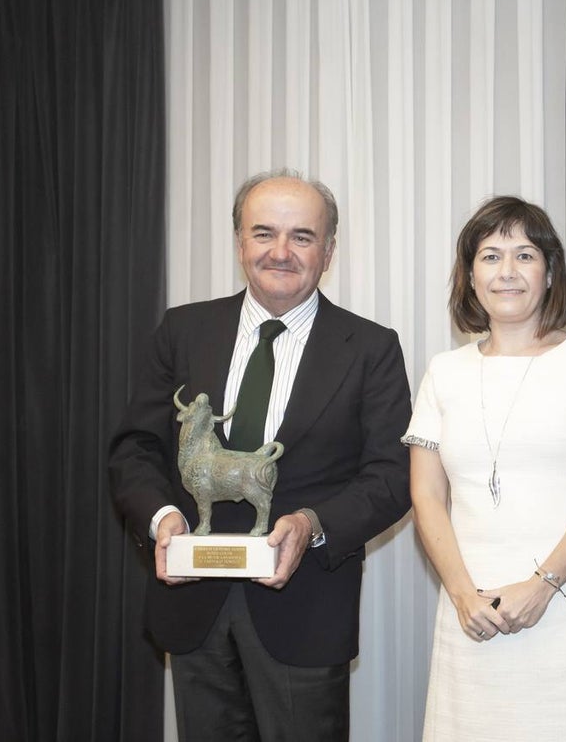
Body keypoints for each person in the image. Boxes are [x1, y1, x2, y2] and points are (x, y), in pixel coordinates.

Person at [109, 169, 412, 740]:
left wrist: (311, 525)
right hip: (191, 603)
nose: (280, 251)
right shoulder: (182, 331)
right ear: (240, 242)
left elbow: (393, 474)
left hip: (305, 608)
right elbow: (136, 449)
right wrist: (163, 519)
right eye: (263, 233)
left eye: (302, 236)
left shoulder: (372, 348)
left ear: (329, 251)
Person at [404, 196, 566, 741]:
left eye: (525, 255)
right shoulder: (443, 372)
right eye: (490, 256)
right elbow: (426, 497)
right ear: (469, 276)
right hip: (471, 609)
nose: (507, 272)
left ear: (550, 271)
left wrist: (542, 585)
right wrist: (464, 594)